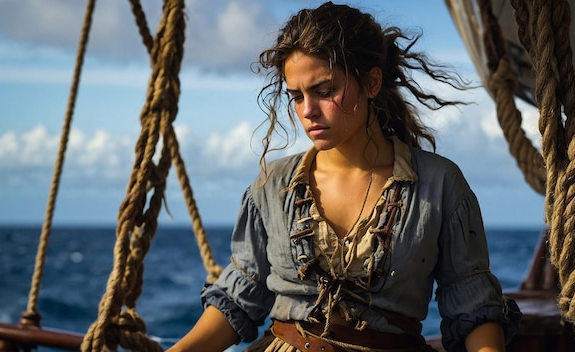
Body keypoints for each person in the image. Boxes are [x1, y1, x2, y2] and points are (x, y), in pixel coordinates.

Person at [168, 2, 521, 351]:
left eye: (324, 91)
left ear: (371, 82)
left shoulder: (439, 184)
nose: (308, 111)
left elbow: (473, 305)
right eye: (296, 96)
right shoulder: (272, 185)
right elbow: (239, 299)